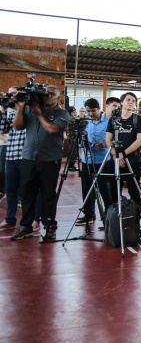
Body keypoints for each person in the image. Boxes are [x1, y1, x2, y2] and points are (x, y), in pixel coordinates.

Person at [10, 84, 70, 242]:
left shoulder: (62, 113)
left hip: (49, 159)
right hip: (29, 158)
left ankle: (50, 227)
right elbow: (17, 126)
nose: (49, 97)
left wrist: (38, 114)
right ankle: (26, 227)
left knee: (48, 194)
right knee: (27, 194)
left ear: (58, 97)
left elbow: (52, 129)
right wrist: (21, 107)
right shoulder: (30, 109)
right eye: (47, 94)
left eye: (53, 95)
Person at [102, 92, 141, 215]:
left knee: (134, 192)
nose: (131, 102)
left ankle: (136, 219)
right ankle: (115, 218)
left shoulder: (138, 120)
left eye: (133, 100)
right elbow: (108, 140)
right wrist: (116, 155)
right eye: (128, 100)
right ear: (121, 102)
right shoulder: (113, 120)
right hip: (115, 161)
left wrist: (123, 155)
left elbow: (140, 140)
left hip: (133, 161)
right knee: (114, 191)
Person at [74, 98, 109, 229]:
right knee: (86, 188)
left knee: (104, 189)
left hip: (103, 160)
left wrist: (105, 144)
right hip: (87, 160)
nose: (91, 114)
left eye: (93, 111)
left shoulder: (107, 122)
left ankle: (107, 216)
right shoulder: (86, 122)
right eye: (88, 111)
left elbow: (113, 139)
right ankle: (88, 214)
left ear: (99, 108)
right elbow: (80, 140)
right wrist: (83, 143)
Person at [0, 87, 30, 233]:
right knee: (10, 190)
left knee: (27, 191)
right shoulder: (9, 112)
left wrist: (21, 106)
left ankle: (31, 220)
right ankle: (10, 219)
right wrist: (3, 109)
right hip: (10, 156)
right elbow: (2, 129)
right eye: (10, 95)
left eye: (14, 94)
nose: (11, 97)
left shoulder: (29, 109)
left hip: (26, 157)